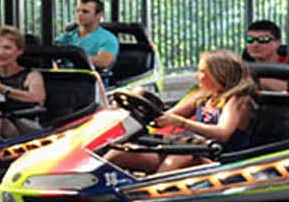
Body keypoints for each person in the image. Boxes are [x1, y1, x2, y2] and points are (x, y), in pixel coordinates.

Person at [105, 49, 256, 176]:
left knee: (179, 158)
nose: (197, 76)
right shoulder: (203, 96)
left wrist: (182, 123)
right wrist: (133, 110)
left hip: (217, 159)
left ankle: (149, 193)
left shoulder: (237, 100)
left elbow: (223, 133)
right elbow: (164, 116)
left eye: (202, 71)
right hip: (189, 149)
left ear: (219, 74)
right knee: (119, 153)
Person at [54, 0, 119, 72]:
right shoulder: (68, 35)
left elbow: (103, 62)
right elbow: (52, 49)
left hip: (89, 77)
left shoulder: (108, 39)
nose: (79, 14)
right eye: (77, 11)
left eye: (85, 11)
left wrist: (74, 57)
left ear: (99, 15)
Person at [243, 20, 289, 92]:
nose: (255, 44)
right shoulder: (241, 65)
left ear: (277, 43)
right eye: (250, 39)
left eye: (263, 39)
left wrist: (259, 81)